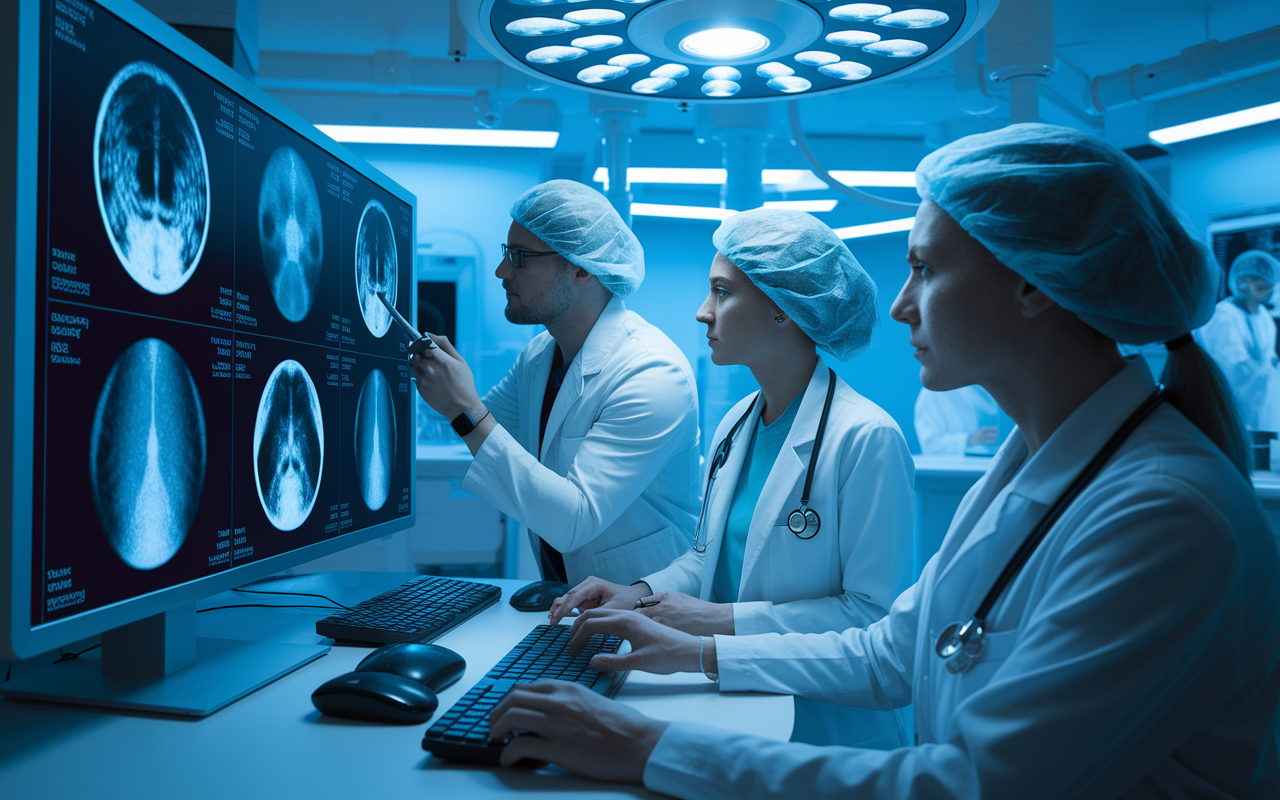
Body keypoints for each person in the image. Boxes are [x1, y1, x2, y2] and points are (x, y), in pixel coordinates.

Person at [484, 124, 1280, 798]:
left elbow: (970, 783)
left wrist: (640, 747)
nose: (899, 303)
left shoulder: (1167, 516)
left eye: (926, 269)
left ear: (1033, 285)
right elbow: (892, 650)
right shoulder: (1038, 464)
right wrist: (683, 645)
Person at [549, 209, 915, 749]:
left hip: (829, 734)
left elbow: (870, 618)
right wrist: (640, 592)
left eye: (722, 292)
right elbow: (707, 558)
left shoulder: (866, 439)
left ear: (785, 311)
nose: (703, 313)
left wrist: (717, 622)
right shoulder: (737, 422)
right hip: (736, 707)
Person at [408, 180, 700, 586]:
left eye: (520, 257)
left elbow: (574, 520)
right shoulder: (540, 355)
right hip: (572, 599)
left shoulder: (652, 373)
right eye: (506, 253)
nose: (501, 271)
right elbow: (488, 433)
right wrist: (444, 386)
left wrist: (463, 406)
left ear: (581, 268)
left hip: (649, 608)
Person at [1195, 249, 1280, 432]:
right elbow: (1232, 369)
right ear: (1242, 282)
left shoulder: (1263, 315)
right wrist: (1268, 372)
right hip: (1232, 411)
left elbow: (1269, 357)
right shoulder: (1223, 316)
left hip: (1260, 411)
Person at [914, 385, 1000, 455]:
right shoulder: (933, 392)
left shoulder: (983, 386)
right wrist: (970, 439)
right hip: (952, 470)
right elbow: (930, 446)